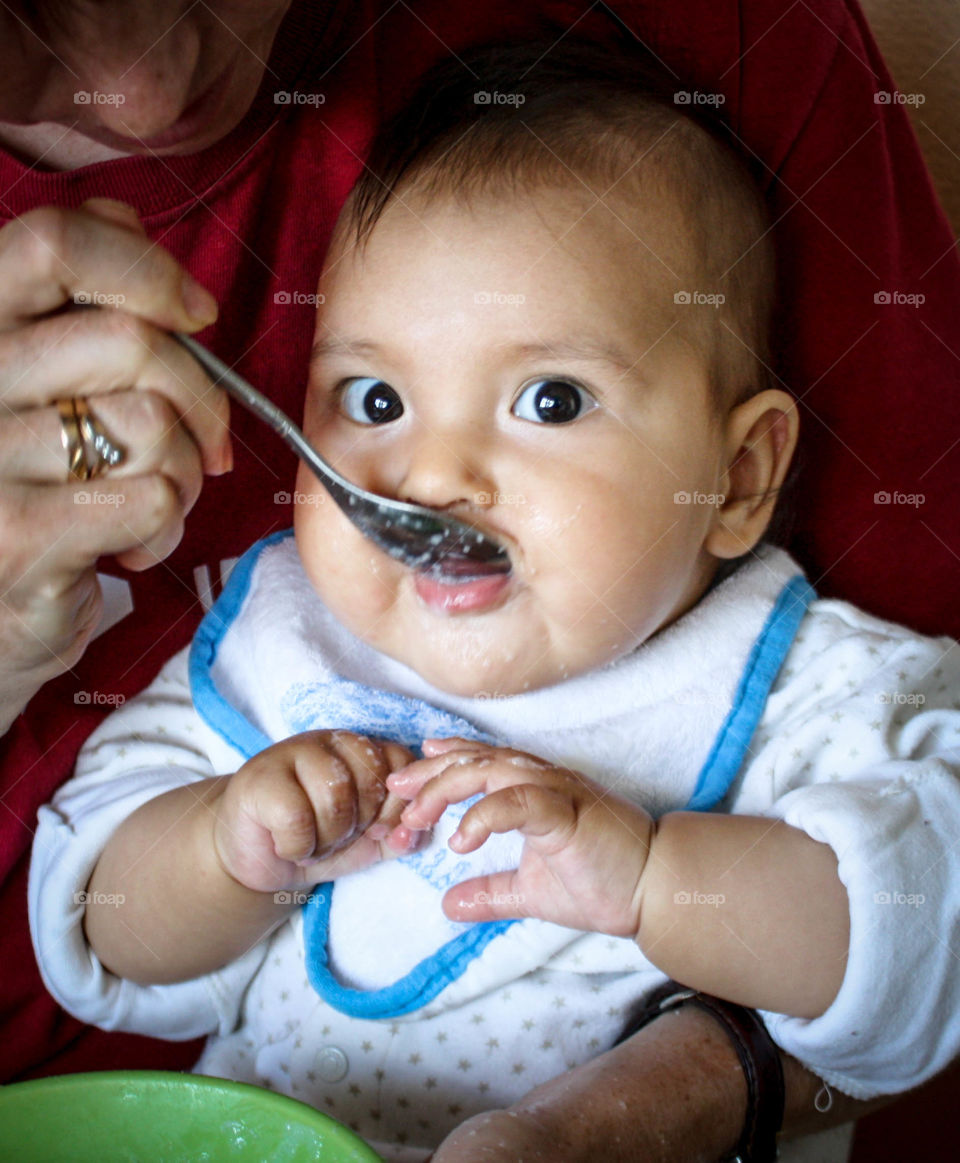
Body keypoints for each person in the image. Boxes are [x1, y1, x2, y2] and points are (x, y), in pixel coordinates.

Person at [28, 39, 960, 1163]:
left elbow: (923, 942)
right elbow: (97, 920)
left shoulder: (817, 685)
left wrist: (658, 876)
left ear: (741, 477)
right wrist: (223, 849)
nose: (435, 473)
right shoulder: (297, 643)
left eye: (551, 397)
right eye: (374, 398)